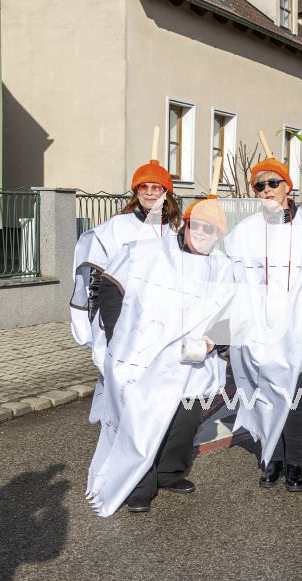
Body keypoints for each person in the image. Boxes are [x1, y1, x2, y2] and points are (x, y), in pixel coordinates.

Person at [86, 198, 233, 515]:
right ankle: (139, 484)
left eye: (210, 229)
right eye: (197, 225)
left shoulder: (223, 268)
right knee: (141, 419)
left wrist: (216, 340)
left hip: (192, 360)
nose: (202, 233)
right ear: (186, 225)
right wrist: (118, 335)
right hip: (144, 357)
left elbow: (234, 313)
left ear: (219, 236)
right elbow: (110, 286)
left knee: (185, 419)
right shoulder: (151, 252)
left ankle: (170, 472)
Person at [226, 157, 302, 493]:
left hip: (299, 330)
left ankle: (294, 462)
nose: (267, 190)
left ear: (287, 187)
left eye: (273, 183)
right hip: (259, 331)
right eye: (260, 185)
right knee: (265, 395)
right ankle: (273, 458)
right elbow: (227, 275)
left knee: (295, 396)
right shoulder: (245, 231)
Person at [70, 159, 180, 425]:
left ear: (166, 192)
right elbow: (97, 277)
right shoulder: (116, 228)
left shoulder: (177, 229)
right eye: (144, 187)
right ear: (136, 191)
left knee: (158, 394)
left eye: (156, 187)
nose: (150, 192)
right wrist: (106, 324)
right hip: (123, 318)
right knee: (123, 390)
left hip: (164, 324)